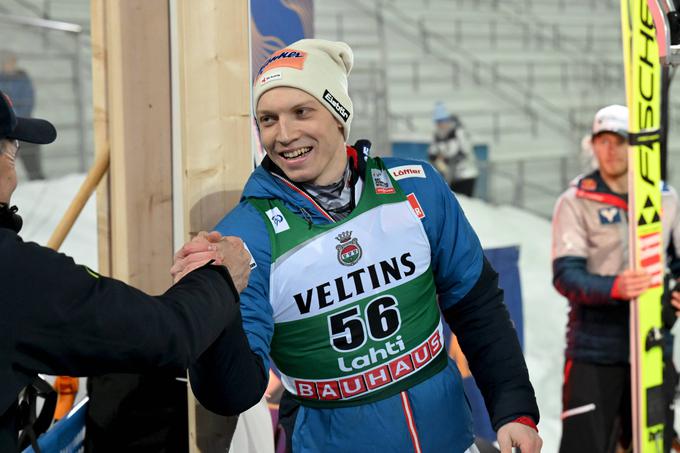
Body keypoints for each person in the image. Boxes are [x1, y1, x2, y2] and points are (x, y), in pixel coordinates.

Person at [172, 39, 542, 453]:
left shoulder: (414, 185)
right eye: (268, 119)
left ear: (339, 114)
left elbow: (477, 306)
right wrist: (211, 314)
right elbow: (233, 394)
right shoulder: (248, 234)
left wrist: (514, 410)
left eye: (302, 111)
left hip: (451, 439)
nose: (285, 134)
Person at [0, 89, 253, 452]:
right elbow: (167, 335)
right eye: (12, 153)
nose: (15, 176)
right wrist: (220, 274)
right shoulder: (15, 273)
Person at [552, 104, 680, 453]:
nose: (610, 151)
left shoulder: (665, 198)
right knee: (585, 446)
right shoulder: (576, 200)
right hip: (594, 349)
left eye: (620, 141)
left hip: (652, 347)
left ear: (635, 147)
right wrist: (614, 288)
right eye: (603, 141)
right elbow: (566, 276)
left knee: (654, 445)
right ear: (592, 145)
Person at [0, 51, 44, 180]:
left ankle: (36, 180)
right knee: (6, 161)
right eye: (7, 62)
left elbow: (28, 100)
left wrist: (16, 118)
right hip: (6, 125)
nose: (10, 65)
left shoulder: (22, 78)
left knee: (31, 159)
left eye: (12, 61)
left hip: (22, 123)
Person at [428, 101, 479, 196]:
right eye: (438, 122)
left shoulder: (459, 132)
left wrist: (448, 158)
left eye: (442, 121)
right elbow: (432, 153)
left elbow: (465, 151)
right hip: (450, 176)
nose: (440, 125)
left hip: (465, 175)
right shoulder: (438, 135)